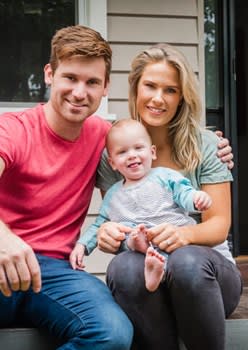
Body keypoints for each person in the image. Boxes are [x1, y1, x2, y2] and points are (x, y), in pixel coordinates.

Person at [96, 43, 243, 350]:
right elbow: (118, 223)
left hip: (207, 277)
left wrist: (183, 234)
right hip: (147, 276)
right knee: (122, 268)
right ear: (135, 88)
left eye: (171, 90)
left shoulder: (206, 145)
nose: (158, 98)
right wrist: (111, 235)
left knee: (186, 262)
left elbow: (218, 226)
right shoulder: (115, 153)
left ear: (181, 97)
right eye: (150, 86)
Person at [0, 25, 134, 349]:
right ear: (49, 74)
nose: (79, 92)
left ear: (105, 88)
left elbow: (159, 154)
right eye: (70, 78)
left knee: (113, 334)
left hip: (54, 276)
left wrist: (210, 147)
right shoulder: (14, 130)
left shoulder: (106, 137)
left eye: (91, 82)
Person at [70, 118, 212, 293]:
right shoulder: (114, 194)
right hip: (141, 245)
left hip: (173, 237)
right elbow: (101, 224)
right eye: (122, 152)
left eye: (138, 148)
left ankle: (157, 268)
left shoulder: (165, 176)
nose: (131, 155)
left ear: (152, 152)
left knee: (178, 255)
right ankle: (148, 257)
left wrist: (197, 198)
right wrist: (82, 245)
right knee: (130, 232)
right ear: (112, 163)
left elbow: (184, 193)